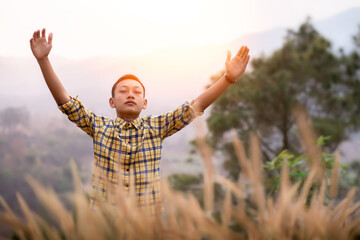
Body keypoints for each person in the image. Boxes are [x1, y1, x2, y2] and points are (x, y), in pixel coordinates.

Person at [30, 28, 250, 213]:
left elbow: (197, 106)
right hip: (105, 225)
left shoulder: (157, 127)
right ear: (112, 102)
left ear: (145, 103)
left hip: (145, 227)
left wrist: (228, 78)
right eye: (123, 91)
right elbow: (65, 101)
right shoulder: (98, 126)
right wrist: (44, 60)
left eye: (137, 91)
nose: (130, 94)